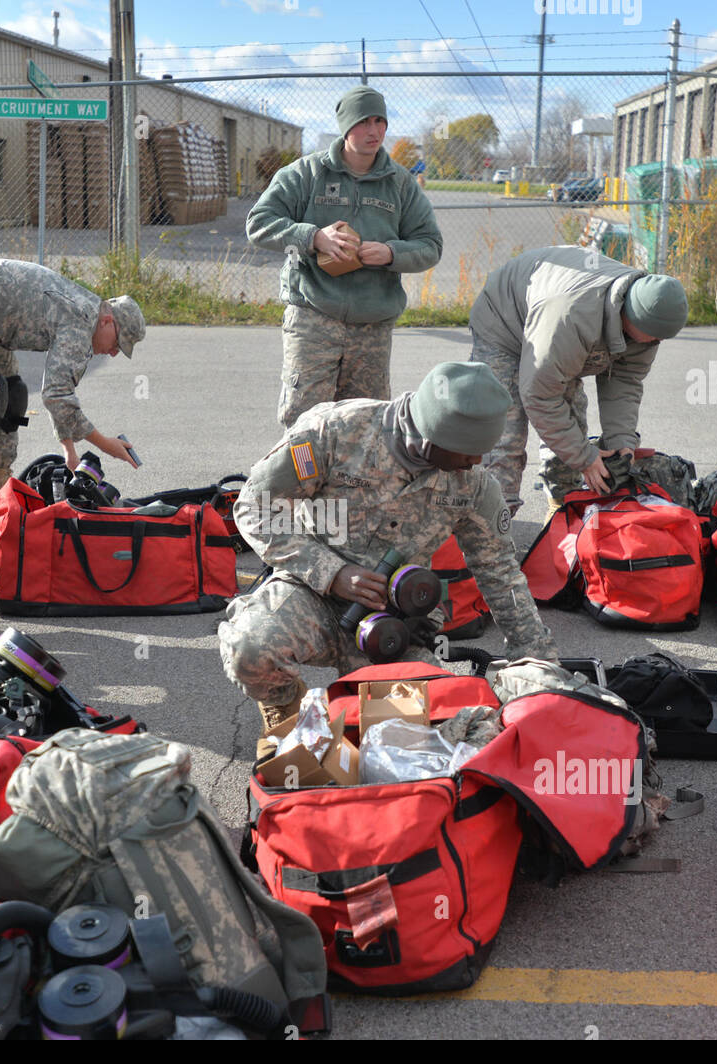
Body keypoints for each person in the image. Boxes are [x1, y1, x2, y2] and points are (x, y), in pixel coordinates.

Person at [218, 361, 557, 726]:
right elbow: (257, 507)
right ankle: (286, 713)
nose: (475, 463)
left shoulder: (473, 483)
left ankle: (359, 719)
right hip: (308, 592)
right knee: (251, 650)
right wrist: (332, 573)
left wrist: (538, 662)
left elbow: (500, 572)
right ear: (432, 435)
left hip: (395, 619)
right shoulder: (336, 431)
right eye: (467, 453)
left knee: (421, 725)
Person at [246, 85, 442, 427]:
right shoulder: (306, 174)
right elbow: (259, 223)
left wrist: (391, 253)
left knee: (365, 426)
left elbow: (430, 245)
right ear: (346, 126)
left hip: (372, 326)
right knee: (304, 423)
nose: (374, 130)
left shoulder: (399, 183)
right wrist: (314, 237)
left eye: (380, 121)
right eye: (364, 121)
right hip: (313, 317)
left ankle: (349, 484)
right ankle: (301, 482)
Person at [0, 258, 146, 531]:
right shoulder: (81, 320)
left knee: (12, 396)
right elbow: (56, 394)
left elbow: (60, 393)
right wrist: (103, 443)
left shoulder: (87, 315)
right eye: (117, 344)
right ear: (107, 321)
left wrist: (70, 453)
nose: (113, 353)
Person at [467, 245, 688, 514]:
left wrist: (622, 443)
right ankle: (491, 530)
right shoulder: (571, 315)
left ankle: (562, 510)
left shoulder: (649, 320)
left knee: (571, 423)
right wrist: (584, 458)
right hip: (504, 325)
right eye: (654, 337)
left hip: (558, 340)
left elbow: (625, 386)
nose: (657, 342)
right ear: (630, 315)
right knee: (504, 436)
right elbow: (538, 394)